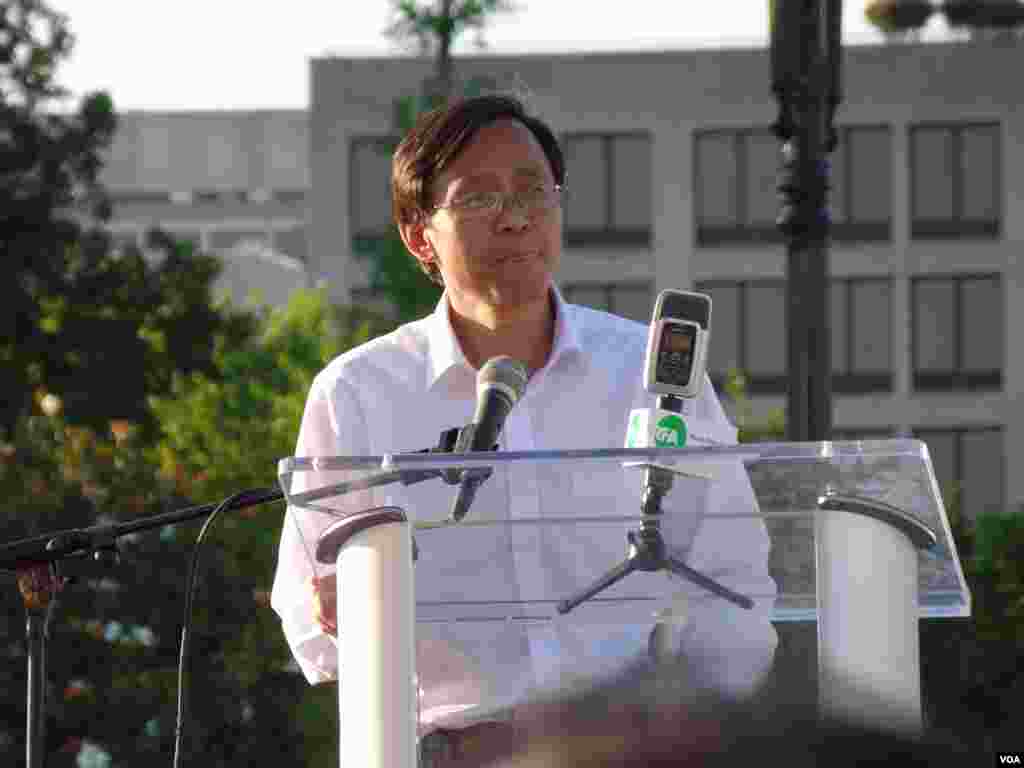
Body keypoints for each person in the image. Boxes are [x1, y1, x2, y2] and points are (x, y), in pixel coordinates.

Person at [270, 93, 778, 761]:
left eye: (533, 191)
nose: (514, 218)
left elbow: (733, 581)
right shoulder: (359, 393)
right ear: (420, 233)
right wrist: (345, 609)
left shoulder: (648, 373)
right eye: (478, 198)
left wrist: (695, 733)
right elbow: (309, 625)